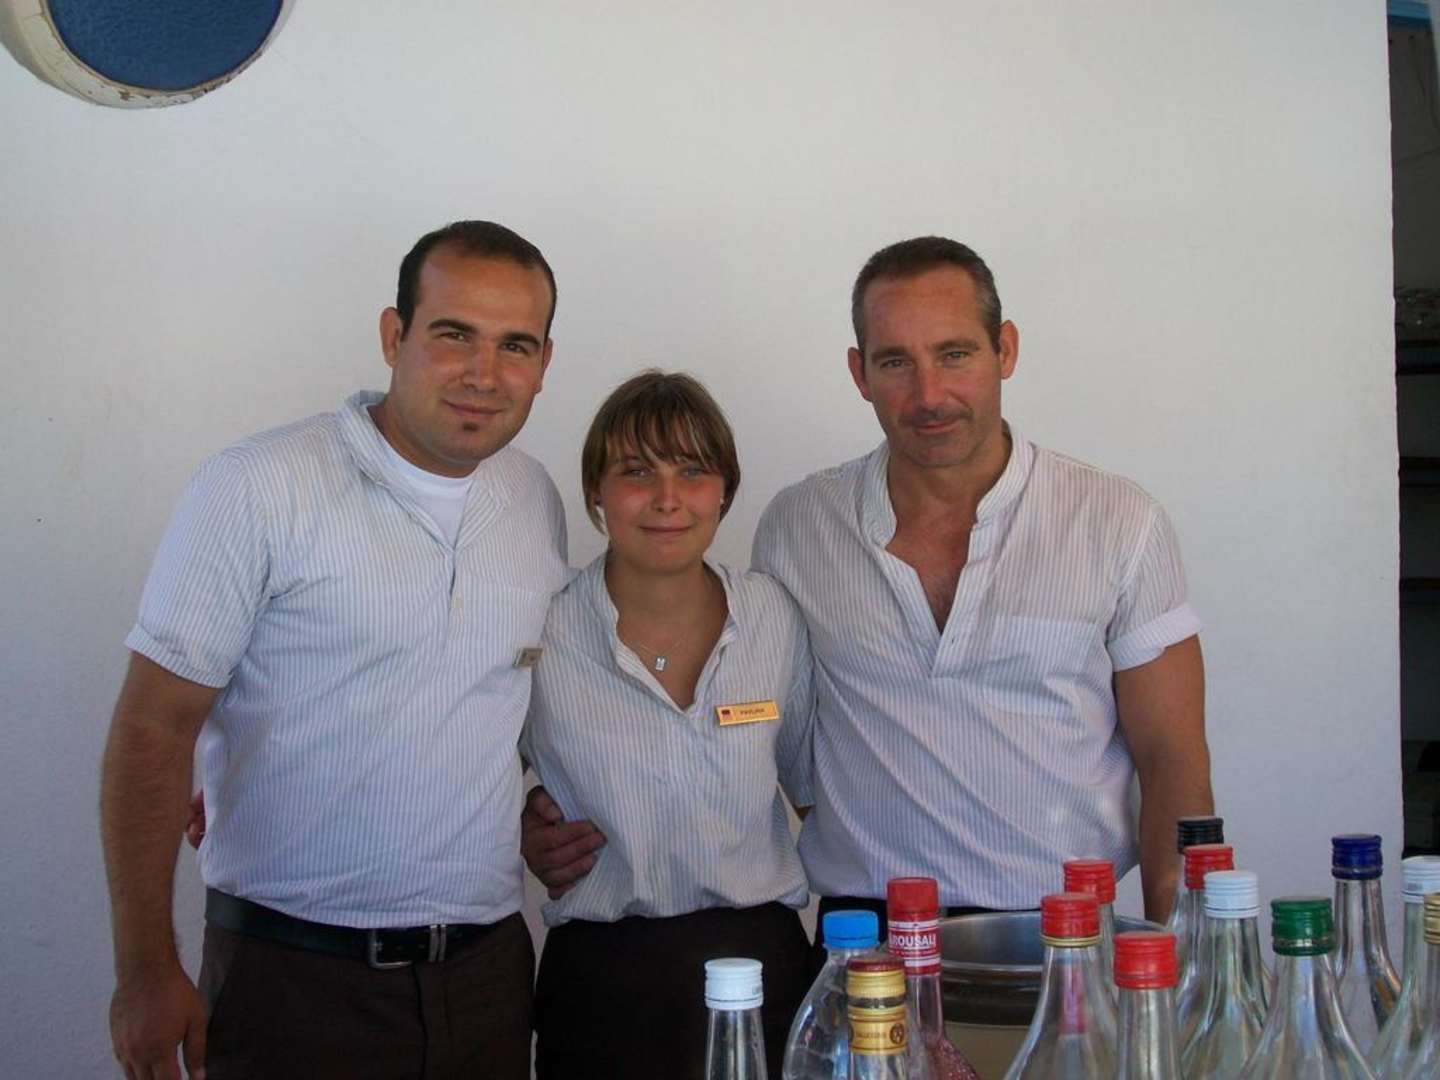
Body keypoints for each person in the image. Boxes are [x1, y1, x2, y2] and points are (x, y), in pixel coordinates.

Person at [526, 236, 1212, 932]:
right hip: (864, 939)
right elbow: (753, 736)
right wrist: (556, 804)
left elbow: (1175, 760)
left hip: (1068, 933)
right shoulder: (800, 527)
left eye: (955, 354)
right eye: (895, 362)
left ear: (1004, 349)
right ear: (859, 372)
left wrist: (1184, 955)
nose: (929, 394)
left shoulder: (1119, 522)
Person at [100, 220, 570, 1080]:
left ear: (544, 364)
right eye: (453, 334)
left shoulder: (532, 499)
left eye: (515, 345)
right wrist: (143, 971)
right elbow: (153, 727)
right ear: (394, 336)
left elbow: (488, 701)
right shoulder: (258, 487)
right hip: (291, 981)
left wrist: (540, 808)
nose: (484, 373)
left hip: (488, 979)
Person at [520, 370, 815, 1079]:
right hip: (603, 987)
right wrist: (517, 829)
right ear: (595, 490)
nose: (667, 498)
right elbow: (461, 774)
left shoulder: (774, 616)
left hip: (765, 974)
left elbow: (816, 794)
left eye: (692, 471)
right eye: (635, 472)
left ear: (725, 490)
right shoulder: (541, 625)